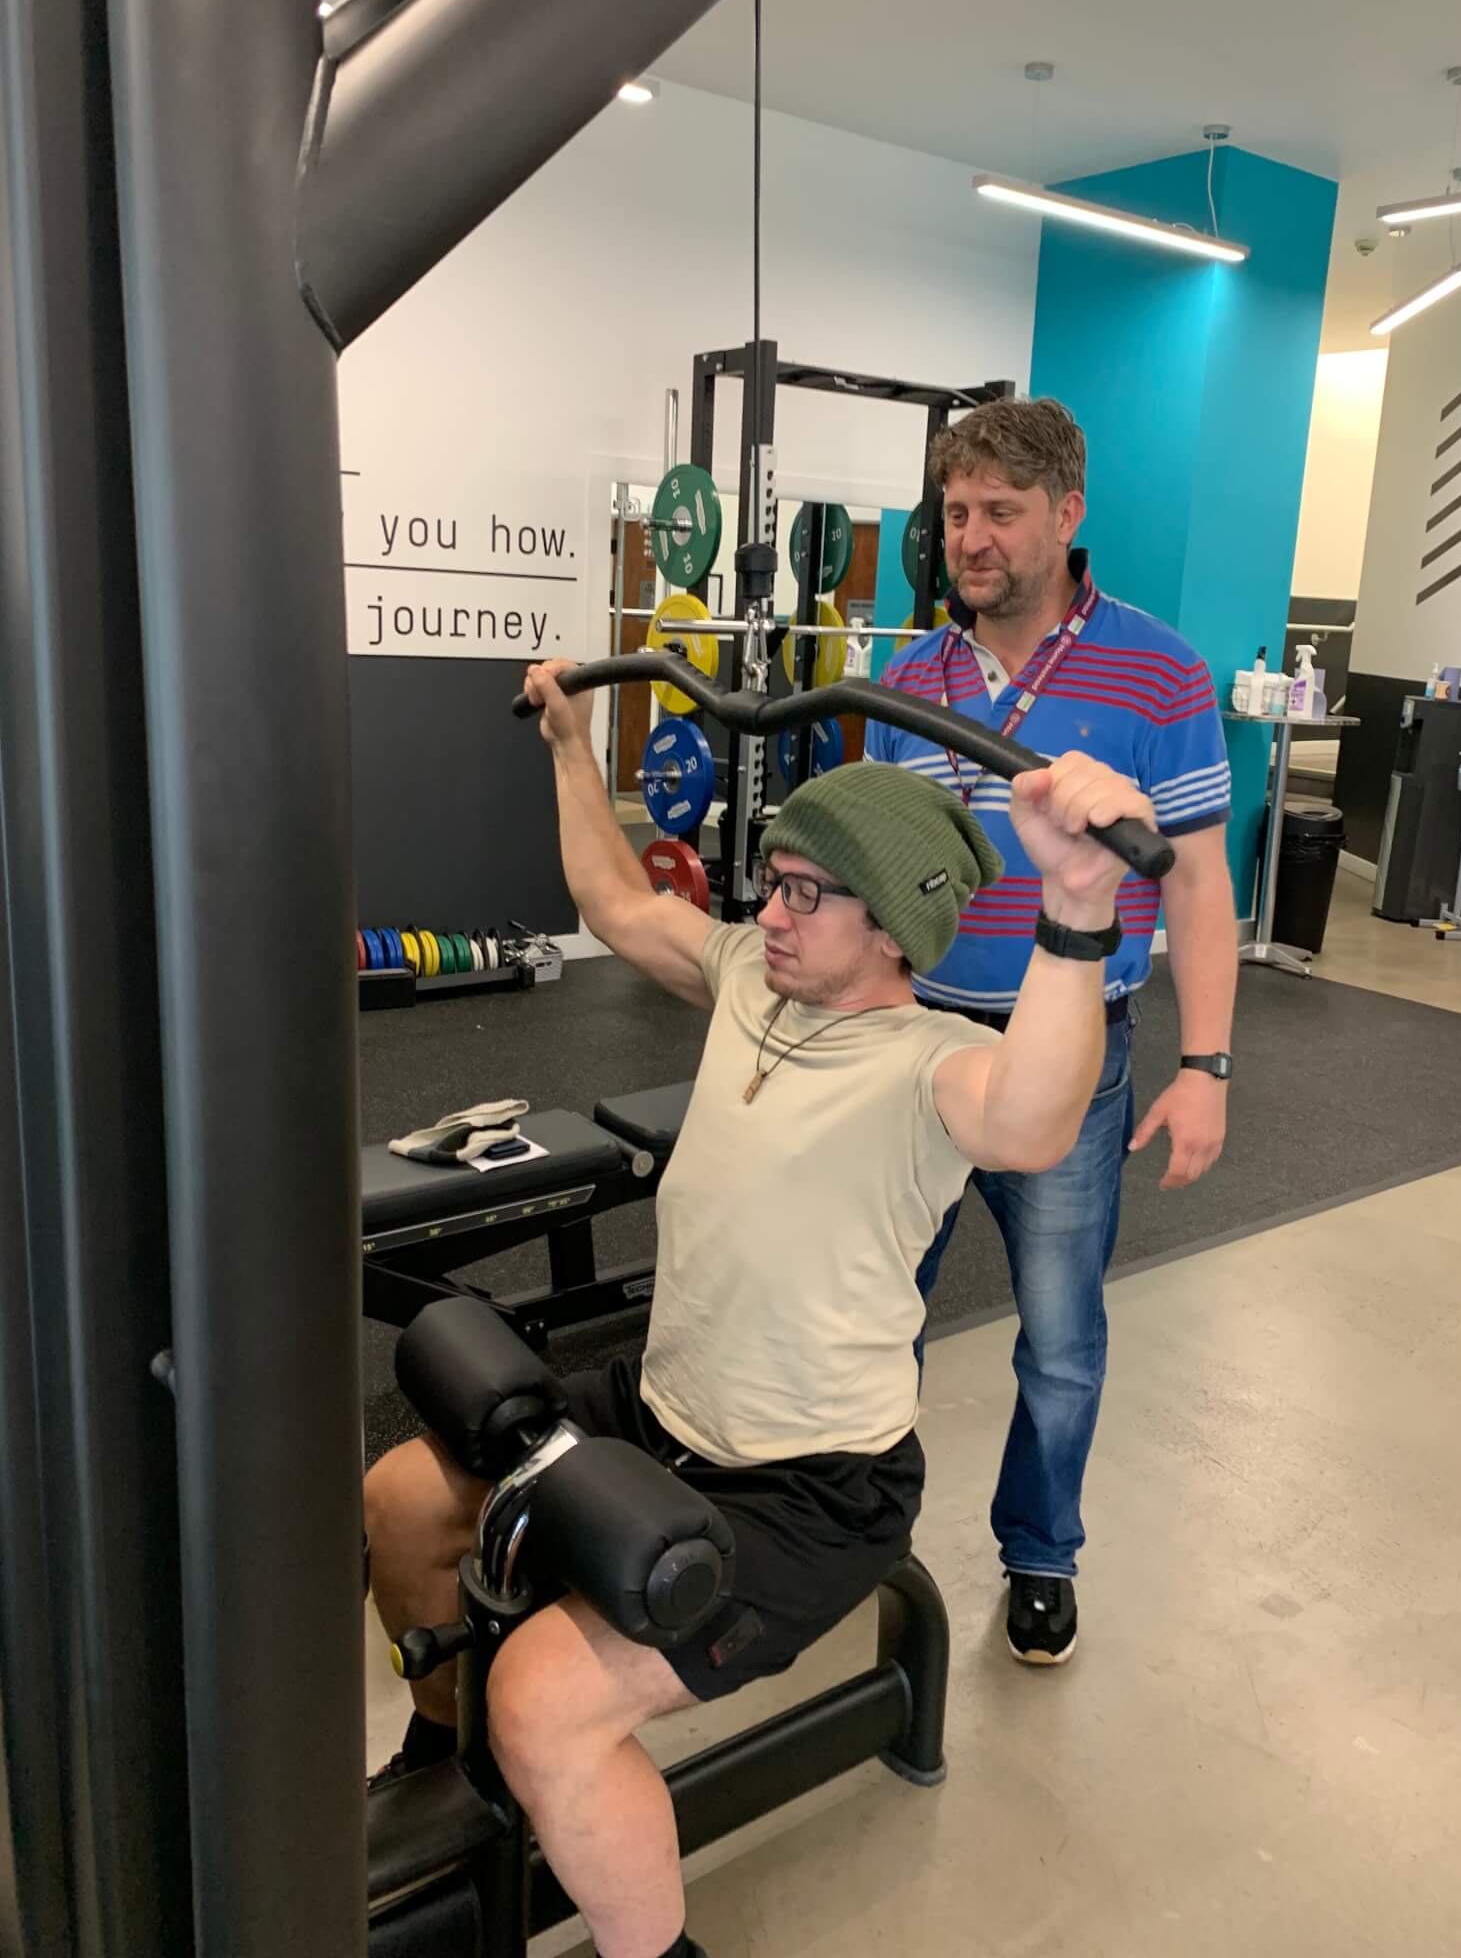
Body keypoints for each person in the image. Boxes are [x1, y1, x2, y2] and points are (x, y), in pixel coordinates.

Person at [364, 654, 1158, 1958]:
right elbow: (617, 900)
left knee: (550, 1703)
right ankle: (442, 1757)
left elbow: (1035, 1118)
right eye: (771, 885)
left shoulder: (934, 1066)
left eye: (807, 894)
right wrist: (572, 744)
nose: (770, 912)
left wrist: (1078, 907)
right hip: (653, 1412)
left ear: (897, 924)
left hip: (807, 1490)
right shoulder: (746, 971)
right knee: (402, 1500)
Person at [866, 396, 1237, 1669]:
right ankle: (855, 1531)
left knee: (1061, 1333)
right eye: (956, 511)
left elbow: (1196, 882)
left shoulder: (1160, 669)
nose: (970, 537)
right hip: (914, 1049)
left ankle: (1039, 1550)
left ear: (1068, 516)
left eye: (1000, 513)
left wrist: (1206, 1066)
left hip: (1075, 1057)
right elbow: (875, 879)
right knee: (872, 1311)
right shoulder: (908, 683)